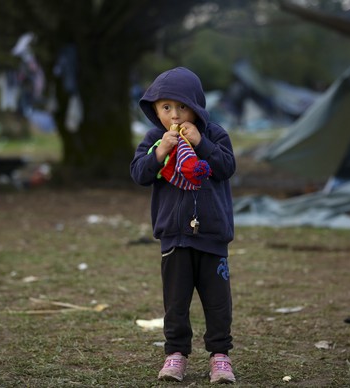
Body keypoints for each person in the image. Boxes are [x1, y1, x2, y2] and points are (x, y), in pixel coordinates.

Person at [130, 67, 237, 384]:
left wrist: (202, 143)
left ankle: (220, 357)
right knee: (175, 303)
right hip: (174, 237)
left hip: (212, 236)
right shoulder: (153, 139)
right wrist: (161, 150)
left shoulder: (215, 135)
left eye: (181, 107)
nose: (174, 116)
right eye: (165, 108)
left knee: (217, 304)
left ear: (197, 107)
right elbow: (139, 173)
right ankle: (175, 355)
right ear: (155, 110)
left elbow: (226, 167)